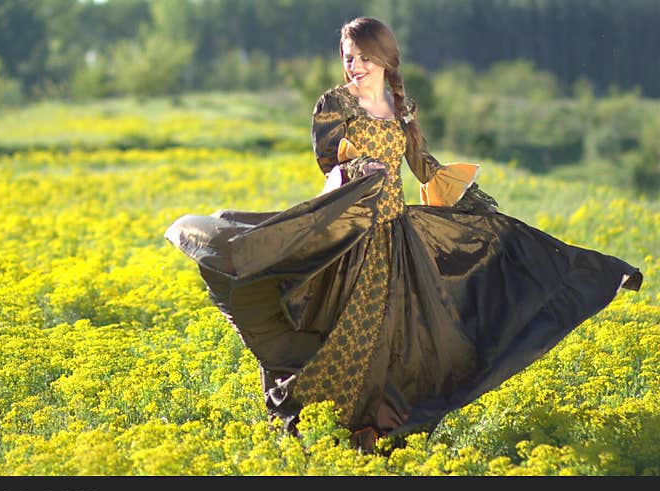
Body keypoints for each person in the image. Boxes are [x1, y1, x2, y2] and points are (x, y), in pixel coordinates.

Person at [164, 17, 643, 452]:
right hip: (351, 234)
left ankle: (378, 426)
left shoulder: (402, 106)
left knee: (406, 337)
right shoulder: (333, 105)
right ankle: (327, 421)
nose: (354, 66)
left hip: (399, 237)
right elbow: (330, 168)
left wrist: (468, 200)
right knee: (349, 335)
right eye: (347, 57)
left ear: (384, 58)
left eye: (363, 57)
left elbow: (422, 166)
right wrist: (354, 169)